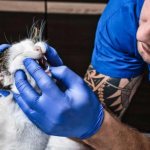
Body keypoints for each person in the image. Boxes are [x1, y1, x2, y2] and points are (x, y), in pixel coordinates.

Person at [0, 0, 150, 149]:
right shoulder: (125, 16)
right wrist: (78, 120)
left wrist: (99, 127)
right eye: (145, 17)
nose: (141, 34)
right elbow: (88, 137)